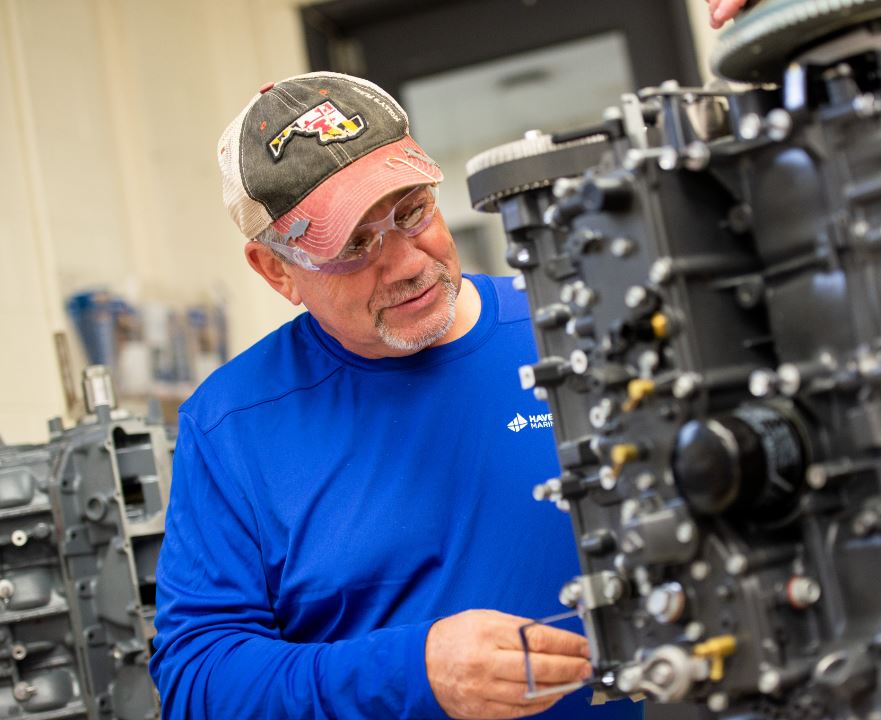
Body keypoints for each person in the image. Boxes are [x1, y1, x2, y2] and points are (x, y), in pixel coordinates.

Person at [149, 71, 642, 720]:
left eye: (412, 210)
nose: (408, 261)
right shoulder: (232, 426)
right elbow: (196, 680)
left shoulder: (581, 325)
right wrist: (411, 674)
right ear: (276, 271)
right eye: (354, 244)